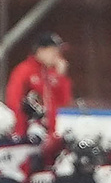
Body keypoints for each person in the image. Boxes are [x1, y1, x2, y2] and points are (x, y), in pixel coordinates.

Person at [5, 31, 72, 170]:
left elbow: (63, 100)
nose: (57, 56)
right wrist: (20, 133)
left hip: (47, 136)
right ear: (40, 51)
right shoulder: (24, 71)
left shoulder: (51, 74)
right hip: (26, 136)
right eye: (53, 51)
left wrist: (61, 76)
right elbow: (13, 101)